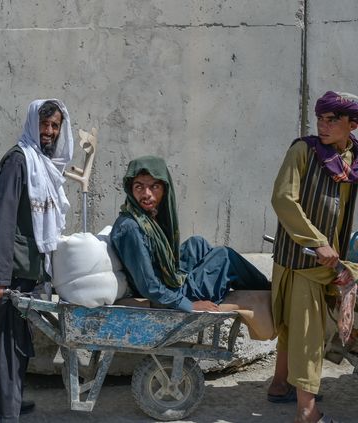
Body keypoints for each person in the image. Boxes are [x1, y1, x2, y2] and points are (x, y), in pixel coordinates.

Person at [0, 99, 73, 422]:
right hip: (11, 272)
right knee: (6, 345)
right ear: (33, 124)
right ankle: (3, 414)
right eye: (44, 125)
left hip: (28, 270)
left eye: (55, 126)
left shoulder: (42, 164)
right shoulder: (19, 161)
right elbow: (3, 218)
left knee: (18, 343)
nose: (49, 132)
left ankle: (8, 402)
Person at [267, 91, 358, 423]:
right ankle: (307, 411)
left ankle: (280, 385)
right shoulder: (304, 150)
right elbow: (283, 199)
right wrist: (316, 241)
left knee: (294, 328)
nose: (322, 125)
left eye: (332, 120)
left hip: (330, 260)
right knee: (308, 332)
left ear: (353, 124)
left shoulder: (353, 159)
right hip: (300, 257)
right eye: (320, 118)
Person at [110, 155, 270, 312]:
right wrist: (188, 304)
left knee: (197, 243)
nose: (146, 194)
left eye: (154, 187)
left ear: (165, 189)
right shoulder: (131, 227)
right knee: (224, 256)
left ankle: (240, 282)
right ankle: (268, 289)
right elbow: (148, 286)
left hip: (170, 283)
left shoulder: (146, 219)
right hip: (170, 295)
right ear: (130, 189)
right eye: (139, 187)